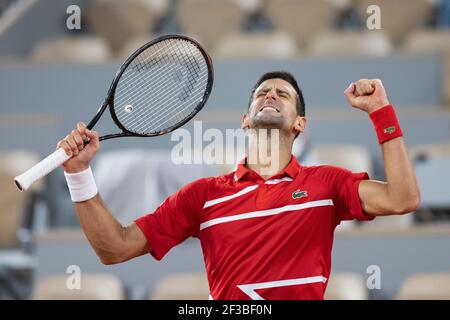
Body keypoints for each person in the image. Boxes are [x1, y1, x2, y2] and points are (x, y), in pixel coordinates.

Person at [58, 71, 420, 300]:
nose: (271, 96)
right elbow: (114, 249)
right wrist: (77, 173)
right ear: (246, 121)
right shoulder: (203, 195)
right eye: (263, 93)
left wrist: (381, 112)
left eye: (283, 94)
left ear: (300, 125)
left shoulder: (327, 183)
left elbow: (402, 199)